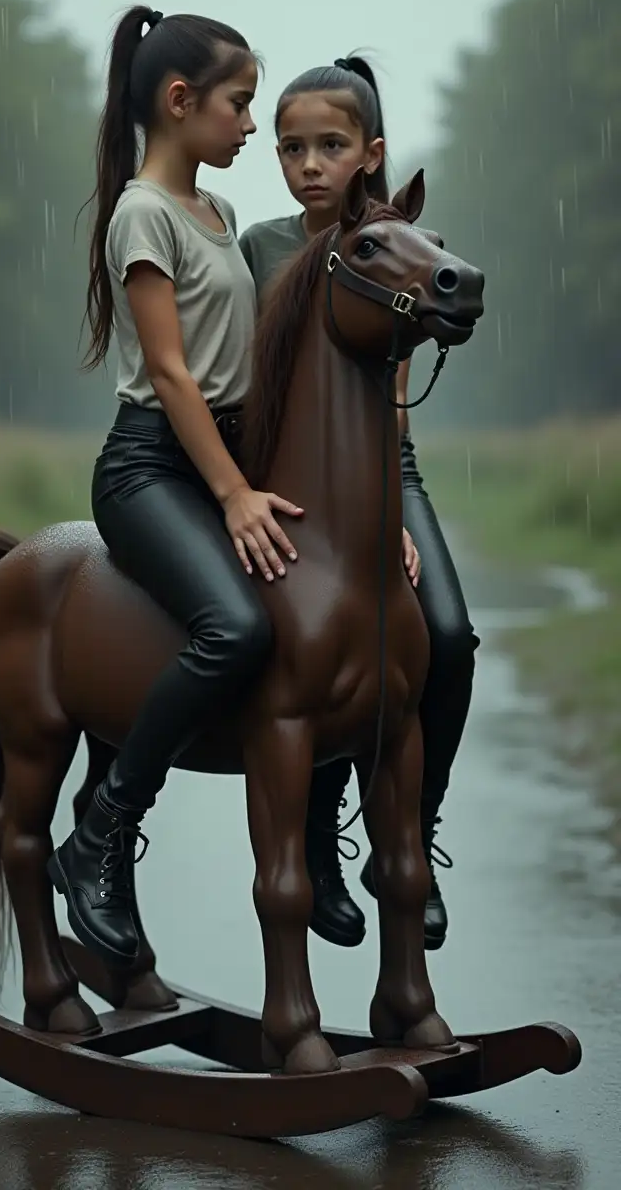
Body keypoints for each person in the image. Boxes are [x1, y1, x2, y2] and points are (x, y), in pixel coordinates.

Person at [48, 6, 306, 968]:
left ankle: (316, 834)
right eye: (239, 106)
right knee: (235, 629)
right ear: (179, 100)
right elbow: (172, 374)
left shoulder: (220, 213)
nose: (251, 125)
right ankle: (102, 833)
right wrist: (234, 494)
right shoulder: (141, 213)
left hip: (220, 459)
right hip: (151, 466)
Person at [239, 55, 480, 952]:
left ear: (371, 154)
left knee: (445, 636)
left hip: (385, 473)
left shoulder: (403, 247)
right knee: (311, 663)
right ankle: (314, 838)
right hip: (288, 481)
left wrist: (387, 532)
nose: (309, 164)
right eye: (291, 146)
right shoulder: (258, 248)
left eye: (330, 146)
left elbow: (395, 387)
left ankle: (412, 830)